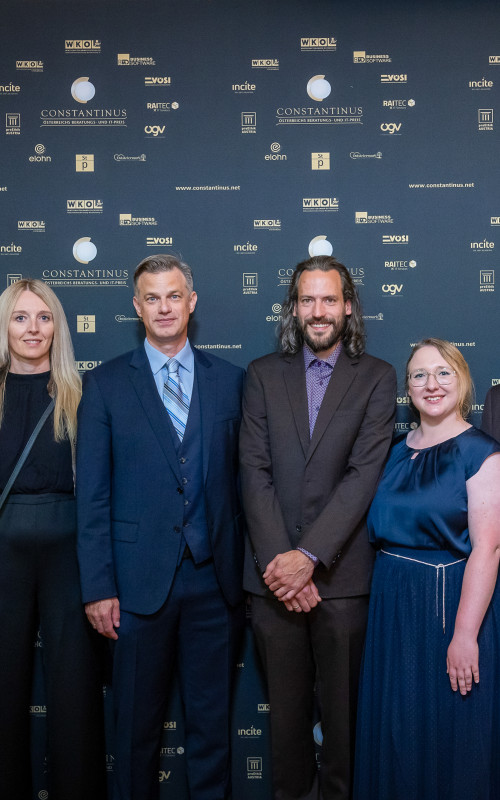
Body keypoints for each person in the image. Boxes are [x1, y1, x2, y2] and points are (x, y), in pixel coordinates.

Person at [76, 253, 245, 800]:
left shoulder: (232, 383)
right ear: (136, 306)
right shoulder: (103, 386)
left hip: (214, 584)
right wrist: (99, 586)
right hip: (134, 586)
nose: (165, 307)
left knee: (212, 734)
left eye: (174, 295)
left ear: (192, 302)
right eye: (153, 297)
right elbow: (93, 497)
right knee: (134, 734)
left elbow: (247, 486)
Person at [239, 254, 396, 800]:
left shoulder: (377, 377)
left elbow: (363, 477)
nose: (319, 310)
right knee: (284, 730)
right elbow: (252, 472)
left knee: (344, 731)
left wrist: (307, 558)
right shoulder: (261, 374)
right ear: (294, 307)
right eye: (308, 299)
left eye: (330, 299)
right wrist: (282, 563)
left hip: (341, 580)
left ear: (348, 306)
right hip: (272, 582)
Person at [354, 338, 500, 800]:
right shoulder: (393, 450)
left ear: (462, 382)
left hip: (449, 606)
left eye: (443, 373)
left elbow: (488, 550)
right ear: (407, 388)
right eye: (419, 375)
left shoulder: (482, 453)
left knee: (452, 735)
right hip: (392, 607)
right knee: (397, 730)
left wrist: (464, 634)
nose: (430, 384)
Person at [0, 279, 106, 800]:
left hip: (70, 550)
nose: (32, 329)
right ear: (4, 326)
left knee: (74, 688)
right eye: (20, 317)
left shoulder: (82, 394)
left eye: (44, 318)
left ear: (57, 327)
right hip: (3, 553)